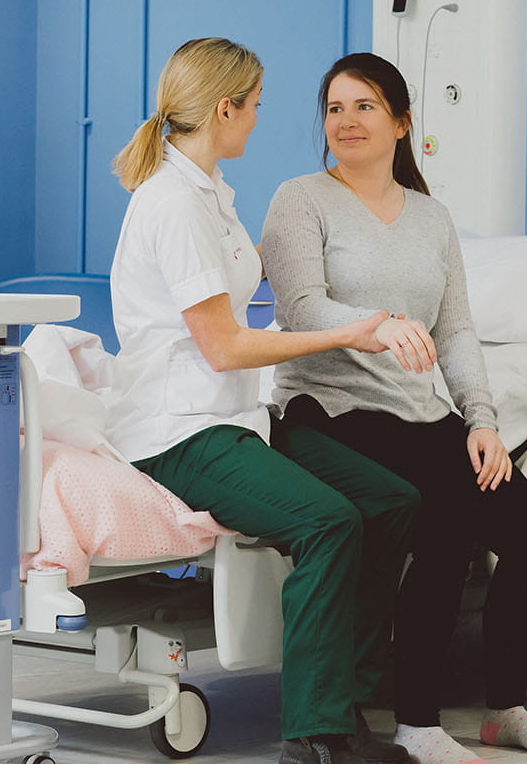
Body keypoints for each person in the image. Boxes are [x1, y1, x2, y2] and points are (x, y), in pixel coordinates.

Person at [108, 38, 434, 764]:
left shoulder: (210, 192)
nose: (260, 119)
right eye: (254, 106)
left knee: (390, 502)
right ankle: (314, 738)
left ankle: (342, 705)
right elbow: (223, 345)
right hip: (182, 430)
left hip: (236, 414)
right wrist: (351, 334)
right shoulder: (173, 204)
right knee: (328, 522)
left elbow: (257, 296)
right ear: (224, 108)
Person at [262, 52, 527, 764]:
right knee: (447, 516)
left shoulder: (432, 218)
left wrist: (483, 419)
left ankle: (504, 706)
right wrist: (376, 322)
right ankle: (418, 721)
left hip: (420, 413)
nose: (346, 121)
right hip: (331, 409)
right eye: (335, 108)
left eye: (364, 106)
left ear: (402, 122)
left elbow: (454, 328)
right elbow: (300, 304)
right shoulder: (299, 198)